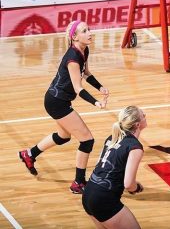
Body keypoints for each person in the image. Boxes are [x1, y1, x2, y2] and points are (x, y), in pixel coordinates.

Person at [18, 20, 108, 194]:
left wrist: (100, 87)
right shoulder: (72, 58)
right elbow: (78, 87)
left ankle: (29, 154)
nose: (90, 33)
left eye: (89, 29)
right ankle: (78, 183)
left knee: (64, 136)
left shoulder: (84, 50)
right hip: (56, 102)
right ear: (75, 37)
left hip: (59, 100)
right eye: (84, 31)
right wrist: (96, 102)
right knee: (87, 139)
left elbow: (86, 74)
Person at [82, 105, 146, 229]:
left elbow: (101, 166)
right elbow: (128, 185)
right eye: (143, 115)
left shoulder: (112, 137)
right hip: (103, 199)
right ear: (137, 125)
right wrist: (136, 187)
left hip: (89, 192)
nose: (145, 115)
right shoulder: (135, 147)